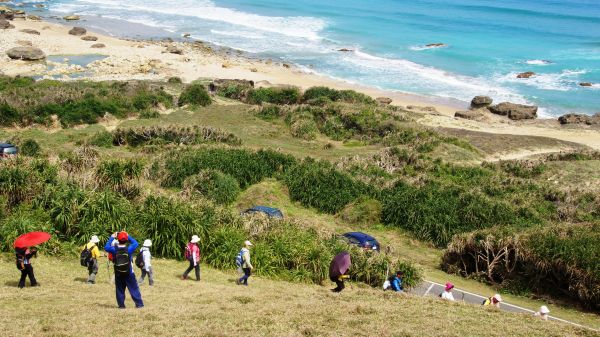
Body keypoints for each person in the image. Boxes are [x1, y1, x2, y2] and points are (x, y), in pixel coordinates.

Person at [105, 231, 144, 309]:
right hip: (129, 272)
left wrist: (112, 237)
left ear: (118, 239)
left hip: (118, 272)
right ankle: (139, 304)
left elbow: (106, 247)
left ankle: (121, 306)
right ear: (126, 240)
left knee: (119, 290)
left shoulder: (114, 249)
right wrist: (128, 235)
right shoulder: (129, 249)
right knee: (134, 288)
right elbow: (136, 243)